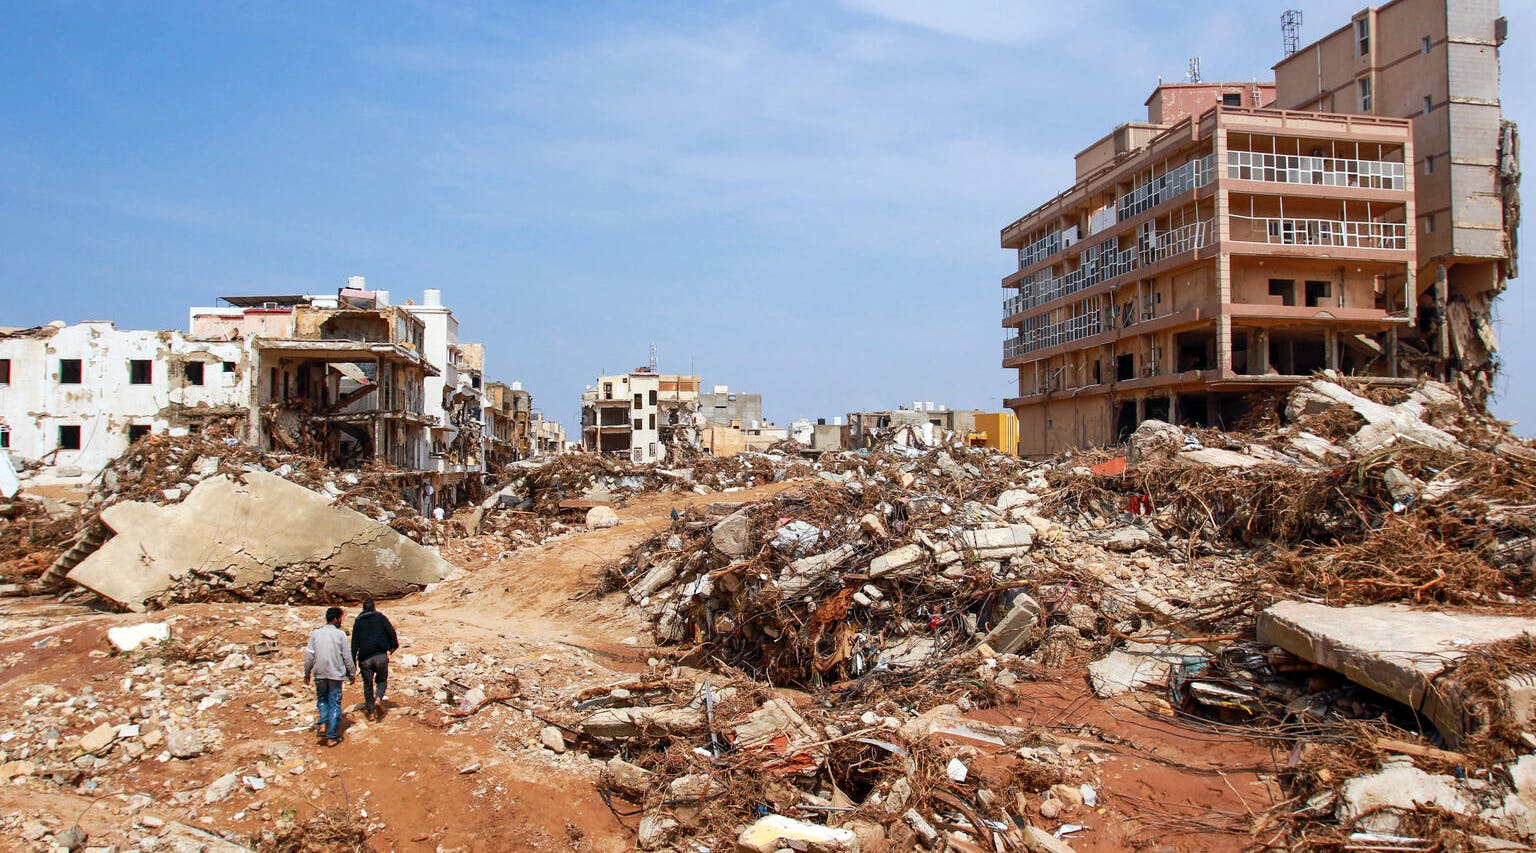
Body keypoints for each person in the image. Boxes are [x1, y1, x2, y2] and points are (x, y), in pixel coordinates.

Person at [303, 606, 356, 746]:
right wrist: (352, 673)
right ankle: (331, 736)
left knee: (322, 699)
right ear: (336, 619)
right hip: (335, 674)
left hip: (319, 673)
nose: (341, 621)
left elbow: (309, 655)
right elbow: (347, 657)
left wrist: (306, 672)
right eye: (340, 618)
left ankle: (323, 724)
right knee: (334, 703)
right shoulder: (340, 635)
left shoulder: (316, 633)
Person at [350, 598, 399, 720]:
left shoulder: (358, 622)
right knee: (382, 680)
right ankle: (378, 699)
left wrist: (353, 662)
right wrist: (394, 646)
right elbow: (391, 632)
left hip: (365, 659)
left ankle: (371, 713)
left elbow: (354, 643)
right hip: (380, 656)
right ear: (374, 607)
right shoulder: (380, 617)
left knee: (367, 685)